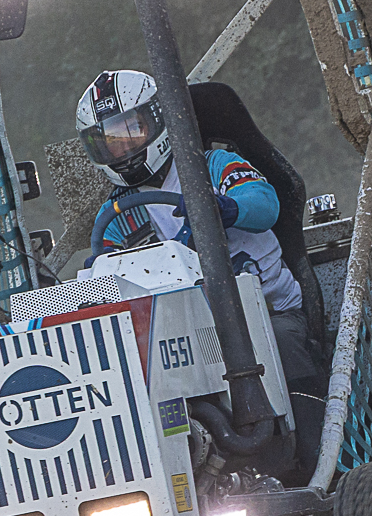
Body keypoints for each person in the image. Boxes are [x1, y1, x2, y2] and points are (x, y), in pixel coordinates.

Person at [76, 70, 319, 429]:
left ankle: (316, 443)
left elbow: (266, 204)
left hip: (271, 315)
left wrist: (227, 208)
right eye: (110, 141)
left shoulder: (214, 166)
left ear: (158, 119)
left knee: (281, 345)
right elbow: (106, 278)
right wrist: (99, 272)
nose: (123, 148)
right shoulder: (114, 216)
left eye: (131, 130)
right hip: (185, 340)